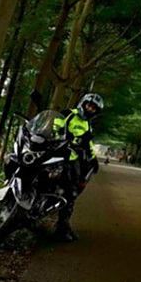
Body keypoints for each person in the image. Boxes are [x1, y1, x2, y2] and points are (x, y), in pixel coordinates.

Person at [52, 93, 104, 241]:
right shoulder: (68, 114)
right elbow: (54, 125)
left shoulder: (87, 125)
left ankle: (62, 226)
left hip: (70, 157)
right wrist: (60, 134)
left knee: (71, 191)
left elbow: (89, 144)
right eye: (89, 105)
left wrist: (93, 158)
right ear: (83, 103)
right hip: (54, 149)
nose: (90, 109)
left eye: (93, 108)